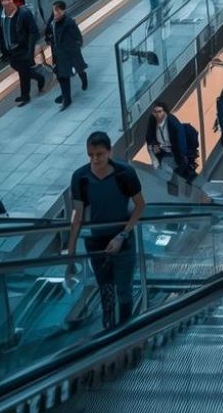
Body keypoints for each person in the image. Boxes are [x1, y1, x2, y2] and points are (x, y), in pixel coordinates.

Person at [65, 132, 145, 330]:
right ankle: (109, 330)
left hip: (123, 241)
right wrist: (71, 251)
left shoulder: (124, 173)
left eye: (99, 154)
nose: (95, 159)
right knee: (106, 289)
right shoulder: (80, 177)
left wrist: (123, 234)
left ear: (109, 152)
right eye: (90, 155)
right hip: (97, 241)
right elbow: (77, 215)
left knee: (124, 290)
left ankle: (125, 331)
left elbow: (140, 205)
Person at [0, 0, 45, 105]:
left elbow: (34, 32)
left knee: (23, 72)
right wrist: (3, 49)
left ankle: (25, 95)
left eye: (9, 0)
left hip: (22, 48)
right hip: (10, 50)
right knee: (19, 68)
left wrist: (30, 49)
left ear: (13, 0)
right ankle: (39, 77)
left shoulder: (24, 13)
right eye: (4, 0)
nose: (6, 3)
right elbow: (0, 32)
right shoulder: (1, 15)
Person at [44, 0, 88, 111]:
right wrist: (48, 40)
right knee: (62, 76)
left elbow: (78, 38)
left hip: (69, 54)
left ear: (63, 11)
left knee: (78, 68)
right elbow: (48, 33)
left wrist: (73, 48)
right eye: (54, 10)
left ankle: (83, 77)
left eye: (58, 11)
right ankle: (67, 99)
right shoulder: (52, 21)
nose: (56, 13)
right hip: (58, 54)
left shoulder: (69, 22)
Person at [144, 100, 196, 178]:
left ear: (165, 112)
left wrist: (182, 156)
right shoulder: (152, 120)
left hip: (176, 152)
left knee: (176, 174)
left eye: (159, 111)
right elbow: (149, 137)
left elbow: (181, 142)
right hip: (162, 152)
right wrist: (154, 146)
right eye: (155, 112)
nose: (157, 115)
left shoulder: (173, 123)